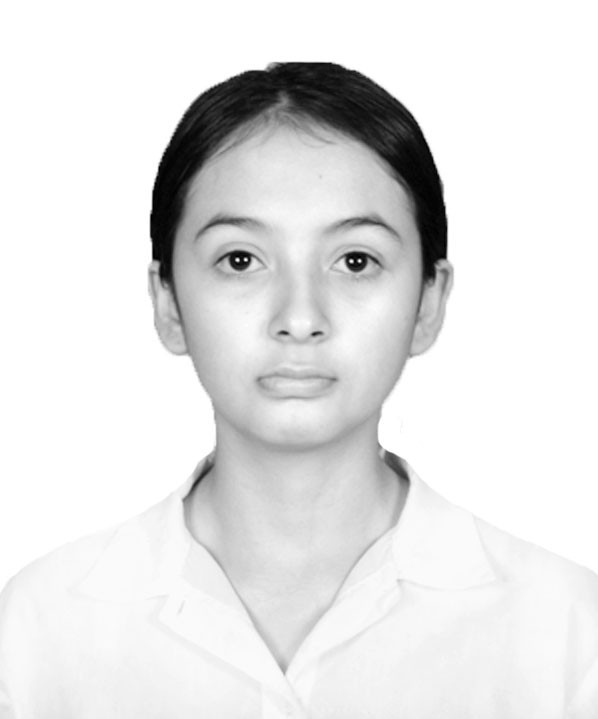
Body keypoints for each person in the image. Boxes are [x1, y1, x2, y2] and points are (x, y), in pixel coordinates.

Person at [0, 61, 596, 719]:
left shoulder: (569, 634)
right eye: (240, 260)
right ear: (167, 301)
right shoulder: (35, 632)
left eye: (356, 261)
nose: (300, 317)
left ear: (429, 300)